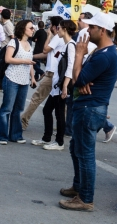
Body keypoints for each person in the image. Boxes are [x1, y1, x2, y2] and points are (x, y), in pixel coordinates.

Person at [59, 12, 117, 212]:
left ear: (102, 30)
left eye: (92, 28)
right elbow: (81, 78)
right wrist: (80, 78)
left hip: (89, 109)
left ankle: (85, 198)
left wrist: (78, 55)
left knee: (85, 154)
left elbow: (79, 78)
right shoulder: (101, 52)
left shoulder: (105, 55)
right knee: (76, 149)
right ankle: (78, 187)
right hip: (86, 106)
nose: (87, 30)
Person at [32, 20, 76, 151]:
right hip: (56, 83)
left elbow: (70, 67)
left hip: (62, 84)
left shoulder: (71, 46)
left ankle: (59, 142)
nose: (58, 30)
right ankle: (46, 138)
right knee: (47, 110)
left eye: (60, 28)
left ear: (65, 29)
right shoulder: (64, 44)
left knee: (59, 113)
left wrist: (65, 86)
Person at [0, 20, 36, 145]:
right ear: (23, 28)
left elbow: (30, 63)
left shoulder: (30, 44)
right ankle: (2, 136)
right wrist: (24, 61)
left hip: (24, 81)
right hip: (12, 78)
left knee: (18, 109)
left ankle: (15, 135)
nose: (33, 30)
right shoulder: (14, 42)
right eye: (30, 28)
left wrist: (33, 77)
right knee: (7, 109)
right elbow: (8, 59)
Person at [21, 16, 64, 130]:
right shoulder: (61, 38)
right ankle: (63, 127)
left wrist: (48, 35)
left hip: (52, 74)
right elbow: (47, 54)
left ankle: (23, 121)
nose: (48, 27)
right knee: (59, 103)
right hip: (53, 73)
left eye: (50, 25)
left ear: (54, 27)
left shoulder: (56, 37)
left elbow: (45, 50)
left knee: (37, 98)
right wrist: (31, 56)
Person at [0, 8, 15, 90]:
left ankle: (0, 85)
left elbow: (12, 36)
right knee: (1, 67)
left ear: (2, 16)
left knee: (1, 67)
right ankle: (0, 85)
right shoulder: (7, 24)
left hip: (5, 47)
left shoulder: (7, 25)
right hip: (4, 47)